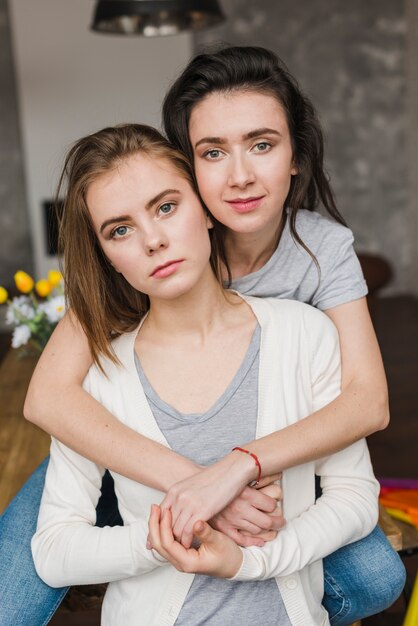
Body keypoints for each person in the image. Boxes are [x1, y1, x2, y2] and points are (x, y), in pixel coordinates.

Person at [0, 47, 405, 625]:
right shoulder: (156, 256)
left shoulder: (319, 253)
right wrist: (197, 491)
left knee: (373, 576)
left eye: (262, 144)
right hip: (133, 445)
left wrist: (236, 477)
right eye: (214, 152)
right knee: (8, 598)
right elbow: (47, 398)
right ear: (189, 168)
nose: (240, 175)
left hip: (265, 457)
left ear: (296, 154)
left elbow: (367, 401)